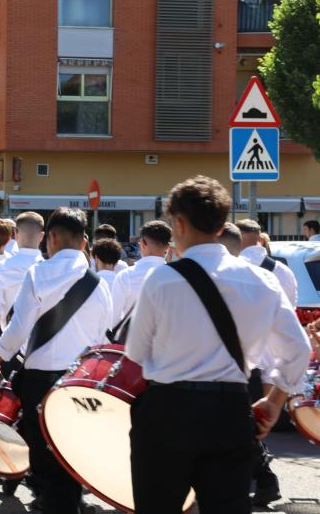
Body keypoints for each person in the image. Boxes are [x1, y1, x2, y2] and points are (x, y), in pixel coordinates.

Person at [125, 175, 311, 514]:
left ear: (178, 223)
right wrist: (274, 399)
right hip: (231, 409)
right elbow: (298, 349)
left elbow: (136, 352)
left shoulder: (162, 279)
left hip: (168, 410)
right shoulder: (262, 280)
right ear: (222, 223)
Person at [0, 207, 113, 513]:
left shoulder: (38, 273)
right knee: (74, 451)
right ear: (83, 242)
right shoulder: (100, 282)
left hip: (42, 380)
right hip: (82, 378)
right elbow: (102, 337)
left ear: (50, 238)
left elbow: (19, 326)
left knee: (45, 454)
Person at [236, 218, 298, 506]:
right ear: (261, 239)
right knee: (252, 426)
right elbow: (291, 319)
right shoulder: (283, 272)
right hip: (275, 361)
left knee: (244, 426)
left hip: (248, 359)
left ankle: (262, 478)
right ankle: (262, 479)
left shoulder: (234, 270)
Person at [0, 212, 44, 360]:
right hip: (44, 347)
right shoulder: (50, 268)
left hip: (10, 346)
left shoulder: (1, 268)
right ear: (41, 236)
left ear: (15, 234)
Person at [110, 221, 172, 326]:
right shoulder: (176, 276)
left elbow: (113, 318)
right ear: (168, 247)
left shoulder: (125, 276)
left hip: (131, 339)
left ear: (142, 243)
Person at [237, 219, 297, 306]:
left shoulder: (228, 267)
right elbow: (290, 308)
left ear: (236, 239)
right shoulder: (284, 271)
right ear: (261, 240)